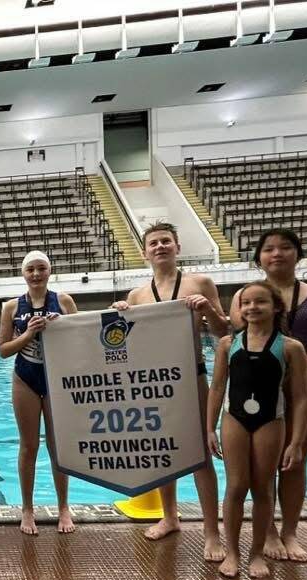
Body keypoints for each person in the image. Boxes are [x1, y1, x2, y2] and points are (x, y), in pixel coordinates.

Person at [111, 222, 228, 561]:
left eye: (166, 241)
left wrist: (207, 310)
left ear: (177, 247)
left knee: (200, 454)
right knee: (163, 451)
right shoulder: (137, 296)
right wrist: (119, 317)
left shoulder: (199, 284)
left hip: (192, 375)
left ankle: (211, 531)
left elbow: (223, 332)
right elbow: (127, 347)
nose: (160, 246)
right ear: (145, 252)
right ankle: (170, 516)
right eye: (154, 243)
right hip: (154, 382)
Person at [230, 229, 307, 563]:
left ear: (298, 254)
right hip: (261, 394)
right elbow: (239, 339)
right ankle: (268, 532)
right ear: (259, 258)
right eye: (269, 249)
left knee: (296, 460)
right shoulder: (245, 296)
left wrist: (294, 377)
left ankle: (290, 532)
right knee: (262, 468)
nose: (277, 253)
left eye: (285, 247)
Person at [207, 281, 307, 578]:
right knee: (236, 486)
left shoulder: (291, 347)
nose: (252, 307)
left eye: (260, 301)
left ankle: (256, 554)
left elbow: (301, 398)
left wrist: (296, 442)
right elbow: (217, 387)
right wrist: (210, 428)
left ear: (276, 307)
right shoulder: (228, 344)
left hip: (271, 421)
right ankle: (233, 552)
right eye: (246, 302)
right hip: (234, 420)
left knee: (263, 488)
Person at [0, 251, 78, 535]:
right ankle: (27, 509)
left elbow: (81, 341)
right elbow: (3, 350)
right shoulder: (11, 307)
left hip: (56, 380)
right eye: (30, 269)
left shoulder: (64, 301)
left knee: (57, 447)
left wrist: (61, 328)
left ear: (49, 271)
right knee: (29, 446)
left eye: (41, 268)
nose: (35, 274)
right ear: (23, 273)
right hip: (25, 379)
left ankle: (64, 507)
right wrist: (28, 334)